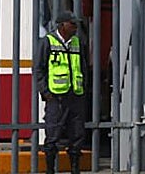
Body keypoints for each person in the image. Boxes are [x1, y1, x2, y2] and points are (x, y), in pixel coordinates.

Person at [36, 10, 88, 174]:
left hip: (75, 96)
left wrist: (83, 89)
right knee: (53, 134)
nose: (75, 27)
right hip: (56, 97)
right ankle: (50, 170)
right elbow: (39, 69)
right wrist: (45, 93)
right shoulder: (48, 42)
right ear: (62, 25)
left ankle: (75, 169)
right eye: (72, 24)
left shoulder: (77, 43)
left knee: (77, 134)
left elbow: (84, 68)